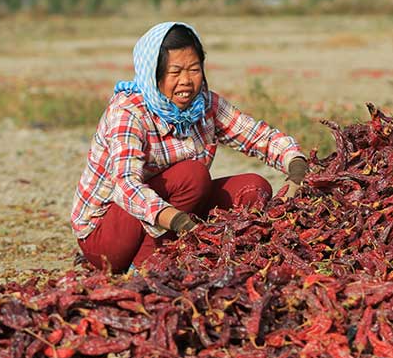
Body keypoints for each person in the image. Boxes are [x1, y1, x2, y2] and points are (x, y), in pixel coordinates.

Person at [70, 22, 307, 273]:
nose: (186, 81)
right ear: (155, 74)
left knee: (254, 188)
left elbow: (259, 136)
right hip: (108, 235)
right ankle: (147, 263)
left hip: (173, 215)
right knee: (192, 176)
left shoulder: (204, 105)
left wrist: (296, 167)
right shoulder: (129, 112)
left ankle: (182, 250)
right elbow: (125, 185)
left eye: (194, 69)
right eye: (175, 72)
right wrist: (178, 220)